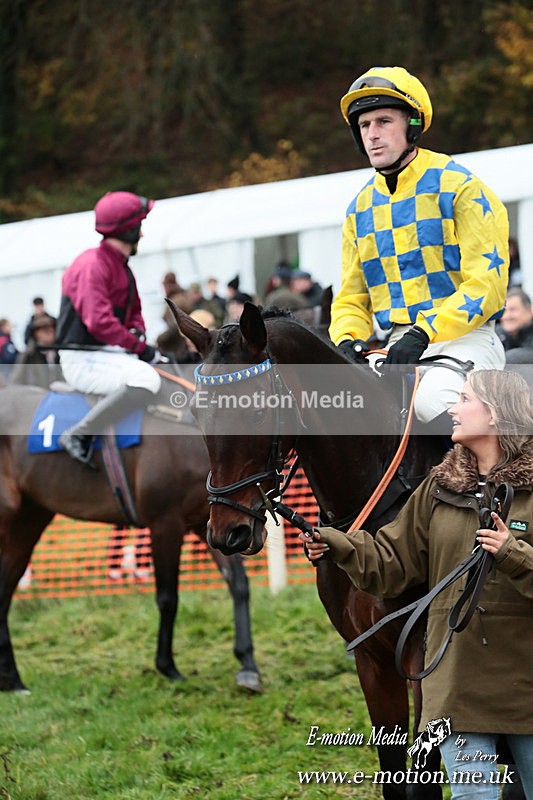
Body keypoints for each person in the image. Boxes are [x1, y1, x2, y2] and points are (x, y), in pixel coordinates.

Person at [301, 369, 533, 799]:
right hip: (457, 682)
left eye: (464, 399)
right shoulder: (438, 488)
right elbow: (392, 562)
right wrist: (336, 544)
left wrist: (512, 552)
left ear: (498, 416)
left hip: (526, 681)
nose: (452, 408)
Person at [330, 66, 509, 430]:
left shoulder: (460, 186)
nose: (372, 135)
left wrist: (424, 331)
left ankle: (478, 486)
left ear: (412, 125)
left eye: (383, 121)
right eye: (364, 126)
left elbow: (485, 285)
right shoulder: (358, 209)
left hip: (465, 338)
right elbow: (351, 297)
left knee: (431, 401)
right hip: (396, 345)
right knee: (339, 407)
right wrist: (346, 339)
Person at [55, 191, 161, 467]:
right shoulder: (92, 265)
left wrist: (138, 333)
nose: (142, 234)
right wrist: (139, 348)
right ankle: (78, 434)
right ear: (130, 229)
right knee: (147, 380)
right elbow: (99, 321)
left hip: (108, 353)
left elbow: (135, 312)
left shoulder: (120, 266)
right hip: (83, 358)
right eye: (140, 226)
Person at [11, 313, 63, 389]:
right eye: (45, 330)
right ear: (36, 333)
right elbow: (16, 382)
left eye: (52, 329)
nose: (50, 332)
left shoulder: (60, 354)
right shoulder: (28, 355)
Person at [498, 288, 533, 354]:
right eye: (504, 311)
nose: (507, 316)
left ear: (529, 312)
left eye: (513, 310)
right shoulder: (495, 335)